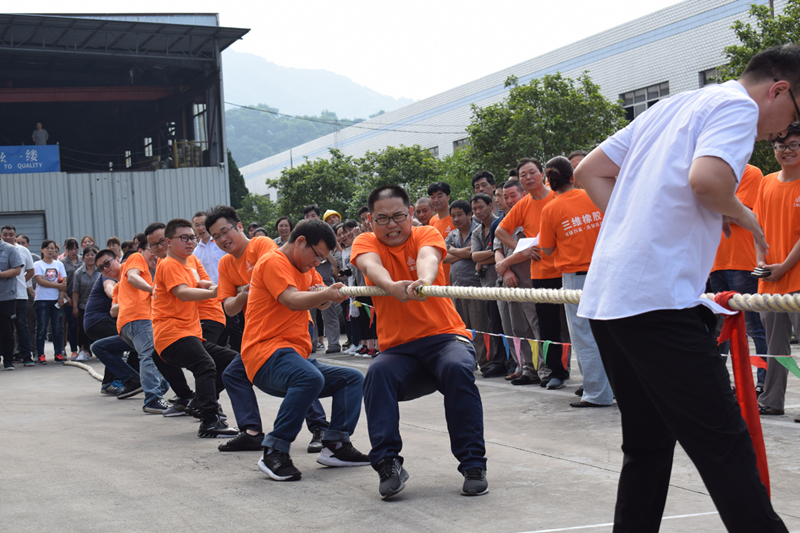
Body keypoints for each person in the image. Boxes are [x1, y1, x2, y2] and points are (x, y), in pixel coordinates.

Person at [574, 45, 799, 532]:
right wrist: (742, 214)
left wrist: (640, 222)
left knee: (648, 447)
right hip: (657, 301)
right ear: (778, 90)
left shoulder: (673, 105)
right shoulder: (738, 105)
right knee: (724, 446)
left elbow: (587, 171)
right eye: (792, 115)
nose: (781, 132)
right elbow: (706, 181)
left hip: (609, 298)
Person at [353, 185, 488, 500]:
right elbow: (372, 267)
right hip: (400, 352)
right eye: (382, 218)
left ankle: (473, 465)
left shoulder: (426, 234)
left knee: (456, 368)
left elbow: (429, 259)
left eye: (399, 216)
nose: (392, 225)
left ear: (410, 214)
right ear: (370, 222)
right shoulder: (365, 242)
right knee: (377, 373)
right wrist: (390, 285)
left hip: (445, 339)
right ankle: (387, 464)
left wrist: (425, 281)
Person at [241, 219, 369, 480]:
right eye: (317, 256)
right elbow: (291, 299)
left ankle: (336, 446)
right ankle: (274, 451)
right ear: (300, 242)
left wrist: (326, 292)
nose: (316, 263)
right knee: (310, 377)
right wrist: (325, 295)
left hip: (293, 356)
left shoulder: (305, 266)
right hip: (265, 354)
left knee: (352, 379)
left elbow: (319, 303)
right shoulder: (273, 262)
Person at [206, 205, 330, 452]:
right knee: (234, 374)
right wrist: (245, 293)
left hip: (292, 325)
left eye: (225, 231)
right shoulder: (226, 265)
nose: (222, 240)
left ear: (239, 226)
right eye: (215, 236)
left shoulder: (261, 246)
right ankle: (251, 431)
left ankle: (320, 428)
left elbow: (286, 275)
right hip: (262, 334)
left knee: (300, 373)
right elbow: (229, 308)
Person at [152, 219, 238, 438]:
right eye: (184, 238)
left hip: (190, 333)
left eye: (192, 237)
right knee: (205, 365)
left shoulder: (187, 264)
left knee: (234, 360)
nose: (190, 242)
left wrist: (227, 288)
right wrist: (217, 293)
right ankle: (209, 421)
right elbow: (182, 292)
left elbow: (202, 283)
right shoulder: (169, 264)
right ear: (168, 242)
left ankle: (201, 402)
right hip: (172, 334)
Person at [539, 156, 613, 408]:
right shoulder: (593, 194)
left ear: (550, 183)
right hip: (607, 273)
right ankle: (615, 387)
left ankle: (597, 393)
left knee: (585, 337)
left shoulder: (550, 209)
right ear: (573, 176)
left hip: (576, 280)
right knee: (612, 333)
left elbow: (546, 248)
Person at [496, 158, 570, 389]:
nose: (528, 178)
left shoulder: (558, 197)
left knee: (571, 325)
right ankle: (554, 372)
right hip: (540, 273)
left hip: (566, 268)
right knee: (547, 327)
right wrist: (523, 250)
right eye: (523, 175)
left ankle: (584, 372)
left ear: (542, 174)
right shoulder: (523, 204)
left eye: (532, 172)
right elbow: (500, 230)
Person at [709, 164, 768, 392]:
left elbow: (739, 212)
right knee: (721, 329)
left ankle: (762, 382)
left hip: (743, 261)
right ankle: (721, 383)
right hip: (716, 262)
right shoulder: (711, 172)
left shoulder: (750, 173)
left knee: (754, 327)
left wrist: (710, 209)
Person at [755, 124, 800, 419]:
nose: (787, 151)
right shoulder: (767, 182)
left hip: (795, 279)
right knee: (775, 347)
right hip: (770, 281)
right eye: (781, 146)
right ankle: (772, 400)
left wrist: (784, 266)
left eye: (794, 145)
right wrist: (762, 264)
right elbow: (756, 227)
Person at [494, 180, 545, 385]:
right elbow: (497, 250)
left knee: (537, 327)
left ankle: (545, 370)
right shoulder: (505, 221)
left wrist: (508, 262)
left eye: (513, 195)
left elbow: (532, 250)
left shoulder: (532, 217)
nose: (508, 201)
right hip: (510, 283)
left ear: (523, 194)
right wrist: (505, 269)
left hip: (531, 280)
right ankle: (527, 368)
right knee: (518, 328)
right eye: (505, 197)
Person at [85, 249, 143, 398]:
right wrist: (121, 298)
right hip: (97, 320)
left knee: (135, 343)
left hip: (103, 320)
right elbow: (108, 288)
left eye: (107, 263)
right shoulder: (111, 279)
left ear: (118, 259)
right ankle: (112, 381)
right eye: (100, 268)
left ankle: (133, 378)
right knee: (110, 345)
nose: (105, 269)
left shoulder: (129, 274)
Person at [443, 200, 487, 368]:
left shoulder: (477, 231)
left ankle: (484, 362)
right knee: (462, 328)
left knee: (479, 327)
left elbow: (473, 253)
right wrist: (463, 252)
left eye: (459, 214)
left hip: (475, 287)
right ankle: (469, 361)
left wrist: (454, 250)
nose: (456, 219)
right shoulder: (452, 235)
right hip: (456, 288)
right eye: (453, 216)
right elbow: (444, 256)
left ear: (469, 215)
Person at [470, 193, 508, 377]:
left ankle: (509, 362)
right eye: (475, 209)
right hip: (486, 285)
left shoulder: (498, 224)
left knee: (508, 326)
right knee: (493, 325)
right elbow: (474, 256)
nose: (478, 212)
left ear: (490, 205)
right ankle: (499, 361)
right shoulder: (477, 231)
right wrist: (491, 254)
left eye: (481, 207)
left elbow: (501, 252)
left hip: (502, 282)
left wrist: (488, 256)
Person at [1, 225, 35, 367]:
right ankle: (13, 355)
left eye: (11, 234)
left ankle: (26, 356)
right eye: (5, 234)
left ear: (15, 236)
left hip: (18, 294)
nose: (8, 237)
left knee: (21, 326)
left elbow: (29, 271)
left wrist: (23, 284)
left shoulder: (21, 250)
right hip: (8, 294)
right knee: (7, 328)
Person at [33, 240, 67, 364]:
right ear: (42, 250)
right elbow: (40, 281)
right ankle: (40, 354)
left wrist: (61, 296)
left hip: (56, 300)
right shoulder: (38, 264)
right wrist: (57, 286)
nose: (50, 250)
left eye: (52, 248)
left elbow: (63, 282)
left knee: (58, 328)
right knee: (41, 328)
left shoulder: (59, 264)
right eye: (47, 248)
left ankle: (58, 352)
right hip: (42, 300)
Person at [71, 245, 100, 361]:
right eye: (87, 255)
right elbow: (75, 292)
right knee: (83, 329)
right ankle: (83, 350)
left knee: (99, 328)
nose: (90, 257)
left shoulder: (101, 271)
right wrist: (75, 307)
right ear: (83, 258)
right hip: (84, 305)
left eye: (92, 254)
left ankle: (98, 350)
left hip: (99, 305)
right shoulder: (78, 273)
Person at [0, 239, 23, 370]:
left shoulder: (9, 249)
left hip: (6, 297)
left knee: (7, 329)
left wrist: (0, 274)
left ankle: (8, 360)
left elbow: (17, 270)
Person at [15, 234, 38, 354]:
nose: (20, 245)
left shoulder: (34, 258)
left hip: (30, 295)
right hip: (16, 293)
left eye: (23, 243)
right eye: (18, 242)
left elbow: (33, 273)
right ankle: (16, 351)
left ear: (28, 244)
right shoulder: (12, 253)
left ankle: (32, 349)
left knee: (29, 323)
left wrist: (29, 288)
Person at [192, 211, 226, 285]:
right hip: (208, 292)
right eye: (197, 225)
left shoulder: (222, 243)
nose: (200, 228)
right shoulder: (194, 253)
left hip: (226, 288)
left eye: (203, 224)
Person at [62, 238, 82, 359]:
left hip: (82, 298)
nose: (73, 251)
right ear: (66, 249)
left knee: (83, 325)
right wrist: (66, 297)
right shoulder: (62, 263)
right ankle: (74, 349)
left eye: (75, 248)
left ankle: (84, 349)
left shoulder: (82, 261)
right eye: (71, 249)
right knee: (72, 325)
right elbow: (61, 282)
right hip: (68, 298)